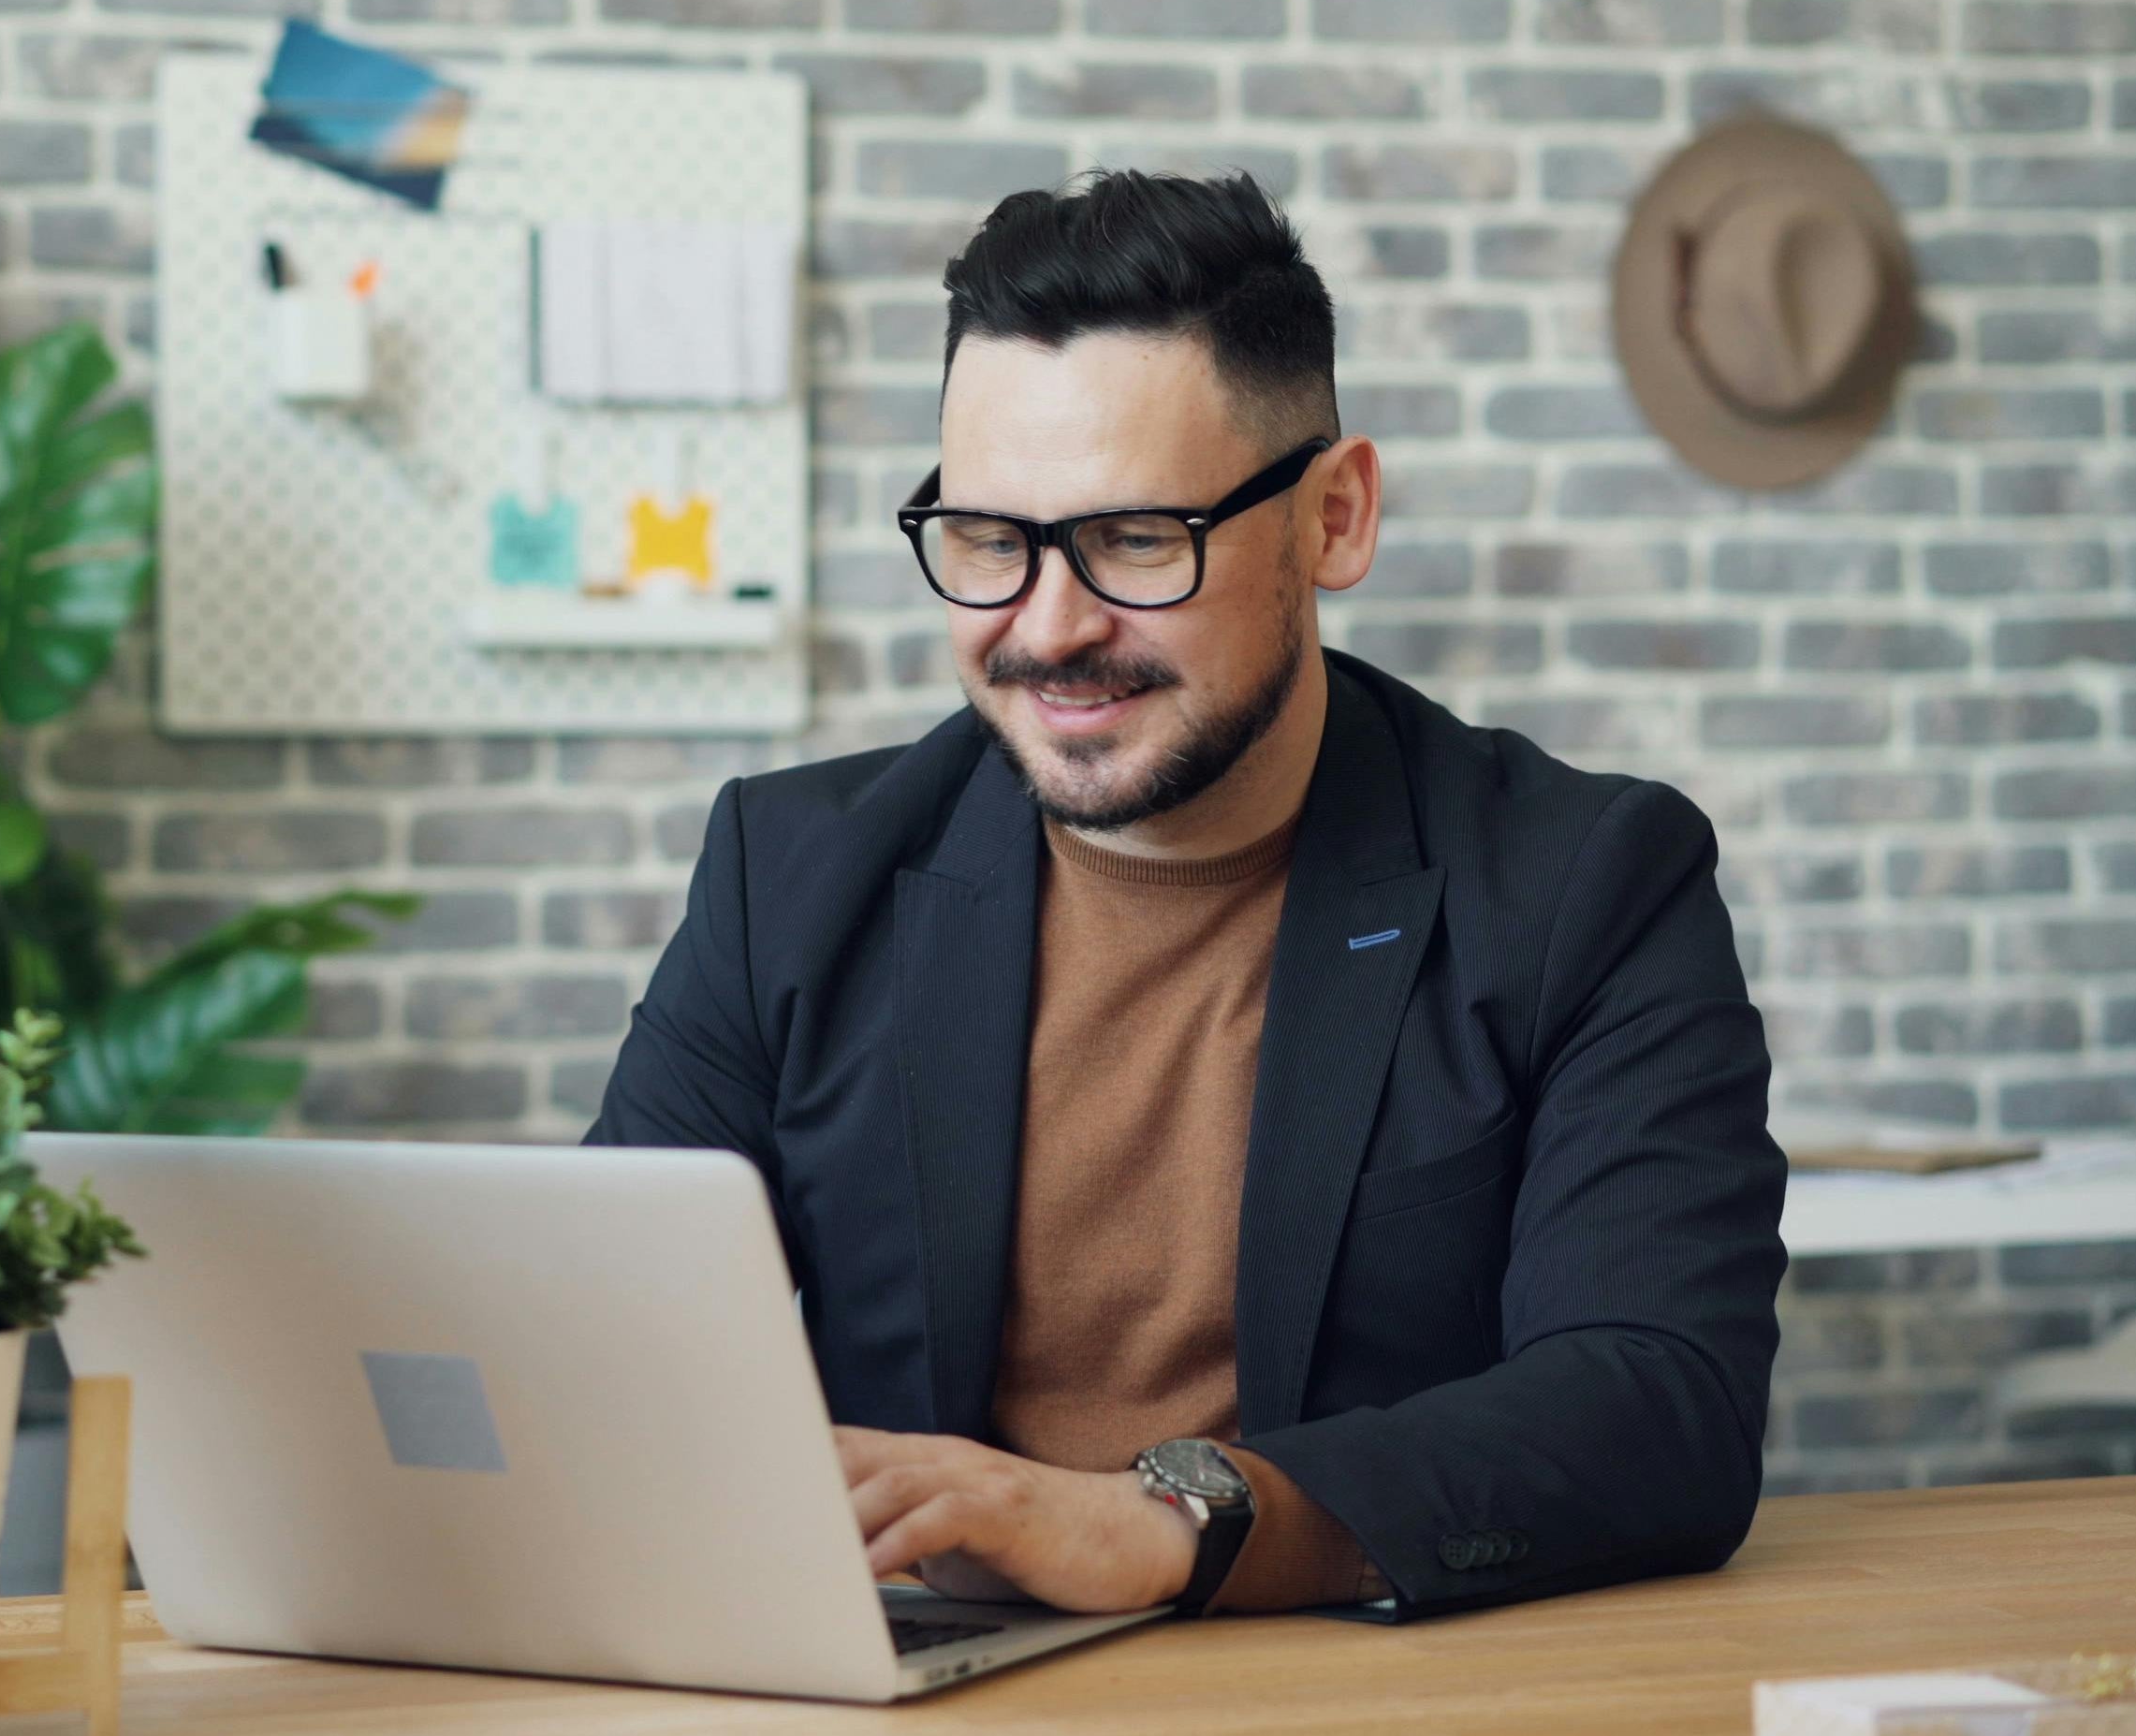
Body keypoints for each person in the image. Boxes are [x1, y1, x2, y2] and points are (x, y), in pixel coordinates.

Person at [585, 170, 1788, 1621]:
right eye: (986, 539)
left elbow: (1658, 1403)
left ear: (1333, 518)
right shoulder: (787, 876)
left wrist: (1166, 1519)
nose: (1047, 626)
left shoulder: (1586, 885)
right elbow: (603, 1338)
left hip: (1359, 1697)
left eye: (1137, 539)